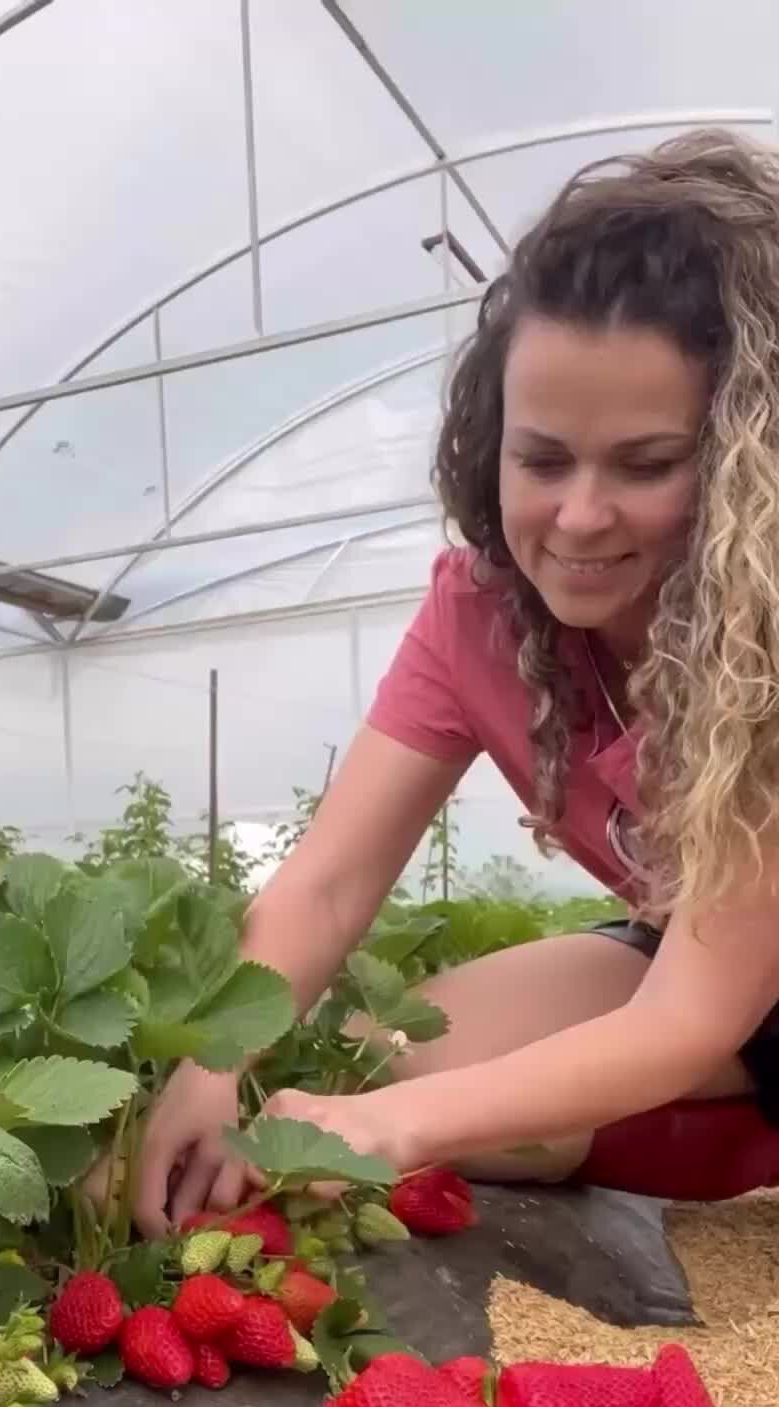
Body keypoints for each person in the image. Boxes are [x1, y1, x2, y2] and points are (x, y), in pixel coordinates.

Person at [134, 128, 779, 1240]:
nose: (578, 517)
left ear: (736, 458)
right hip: (711, 977)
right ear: (490, 446)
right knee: (398, 1054)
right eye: (542, 460)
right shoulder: (477, 609)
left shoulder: (762, 630)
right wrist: (211, 1052)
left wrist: (396, 1133)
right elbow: (330, 883)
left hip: (715, 997)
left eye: (645, 464)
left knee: (418, 1107)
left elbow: (686, 1019)